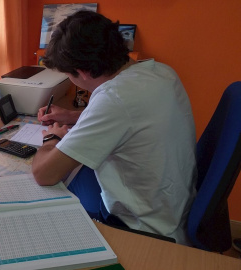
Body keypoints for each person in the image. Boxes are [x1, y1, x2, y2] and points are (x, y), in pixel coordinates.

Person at [32, 10, 197, 245]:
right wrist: (72, 116)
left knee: (48, 199)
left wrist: (52, 138)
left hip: (145, 227)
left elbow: (44, 174)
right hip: (173, 206)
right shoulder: (161, 72)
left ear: (83, 72)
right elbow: (132, 119)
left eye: (69, 75)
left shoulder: (114, 98)